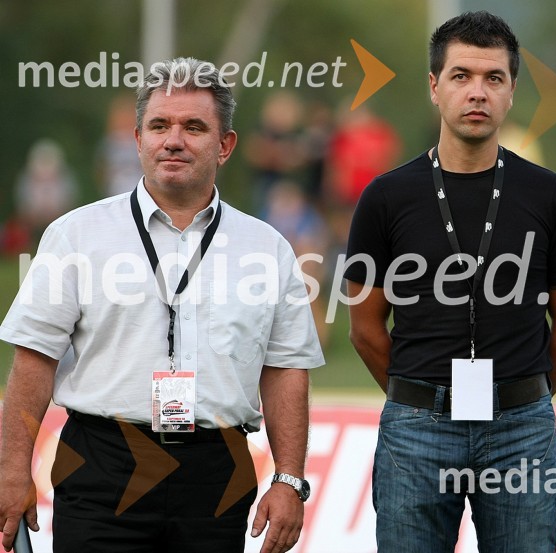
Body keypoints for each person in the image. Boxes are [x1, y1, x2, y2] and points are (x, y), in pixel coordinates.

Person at [0, 57, 324, 553]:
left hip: (220, 470)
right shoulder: (76, 235)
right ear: (137, 139)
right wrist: (11, 471)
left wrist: (289, 480)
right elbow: (34, 362)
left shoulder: (268, 248)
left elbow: (284, 370)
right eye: (159, 125)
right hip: (101, 465)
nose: (173, 140)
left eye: (194, 127)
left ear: (226, 145)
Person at [345, 11, 556, 552]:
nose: (477, 92)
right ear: (435, 87)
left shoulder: (552, 197)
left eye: (493, 78)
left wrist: (522, 399)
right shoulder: (385, 198)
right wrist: (420, 397)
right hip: (416, 429)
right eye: (461, 76)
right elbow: (364, 328)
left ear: (511, 93)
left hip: (521, 429)